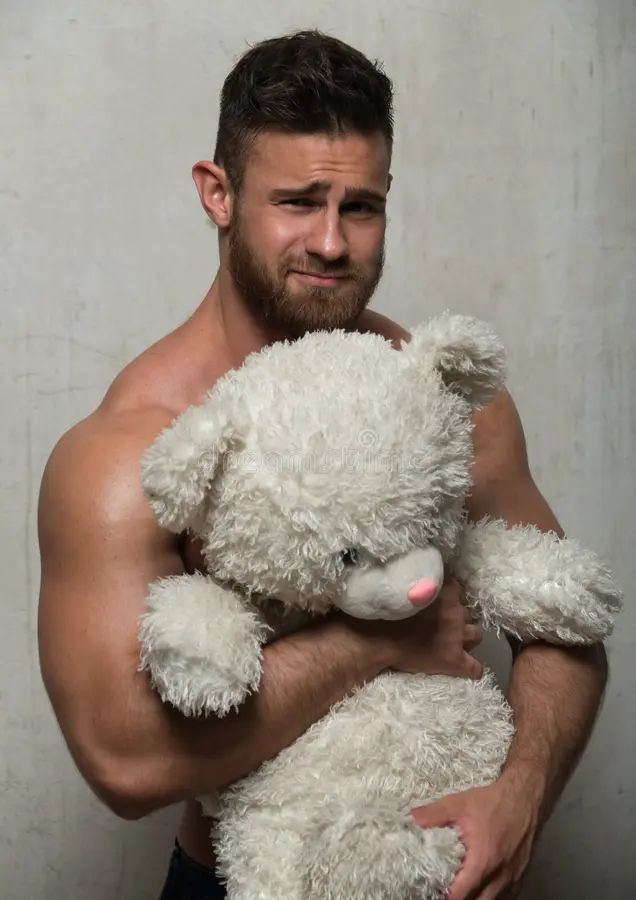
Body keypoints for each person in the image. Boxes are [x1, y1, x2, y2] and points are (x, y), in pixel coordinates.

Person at [37, 30, 608, 900]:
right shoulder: (131, 452)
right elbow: (125, 762)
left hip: (449, 871)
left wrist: (522, 797)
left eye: (361, 207)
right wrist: (375, 640)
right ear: (218, 194)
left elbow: (565, 630)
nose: (333, 243)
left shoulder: (439, 400)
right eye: (299, 202)